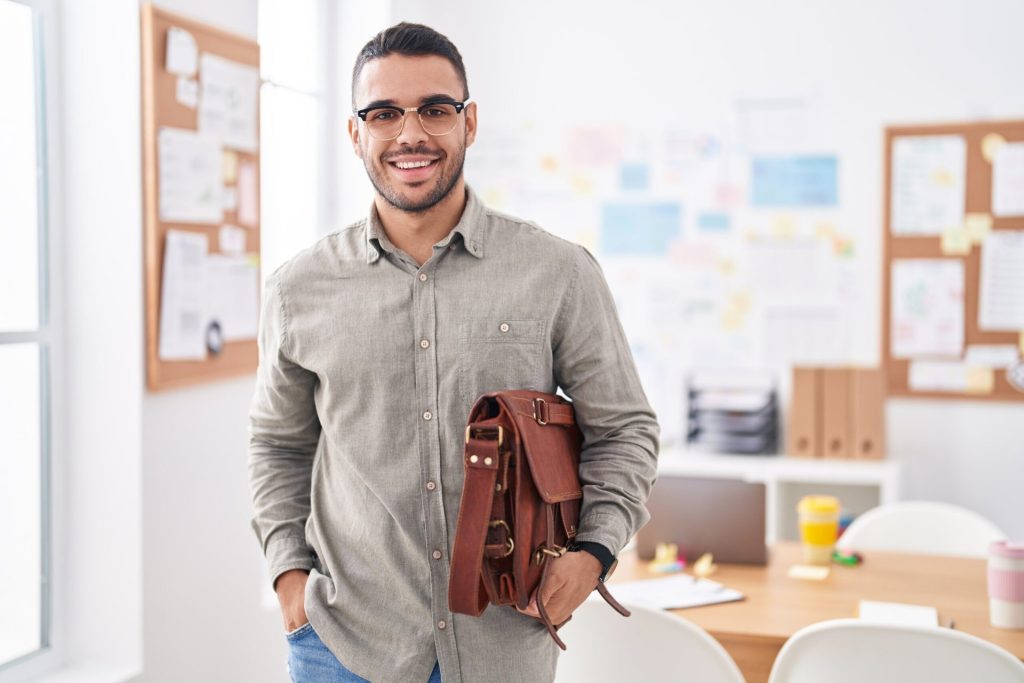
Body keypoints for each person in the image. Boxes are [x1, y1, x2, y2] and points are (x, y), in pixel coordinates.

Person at [248, 22, 660, 683]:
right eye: (384, 113)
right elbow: (277, 443)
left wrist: (593, 551)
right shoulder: (299, 289)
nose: (411, 134)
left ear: (469, 123)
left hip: (505, 645)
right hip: (344, 647)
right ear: (356, 133)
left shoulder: (557, 272)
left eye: (435, 110)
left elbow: (625, 428)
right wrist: (289, 577)